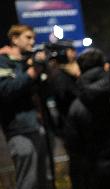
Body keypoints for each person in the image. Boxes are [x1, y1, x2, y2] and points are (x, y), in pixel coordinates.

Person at [0, 25, 54, 189]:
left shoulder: (29, 61)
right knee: (28, 181)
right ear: (15, 39)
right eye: (28, 37)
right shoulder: (3, 61)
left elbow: (45, 93)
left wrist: (45, 73)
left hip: (39, 125)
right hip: (20, 130)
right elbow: (5, 90)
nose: (33, 41)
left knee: (46, 178)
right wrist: (31, 73)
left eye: (33, 38)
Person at [66, 48, 110, 189]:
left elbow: (74, 147)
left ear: (80, 70)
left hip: (94, 172)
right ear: (104, 66)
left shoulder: (76, 106)